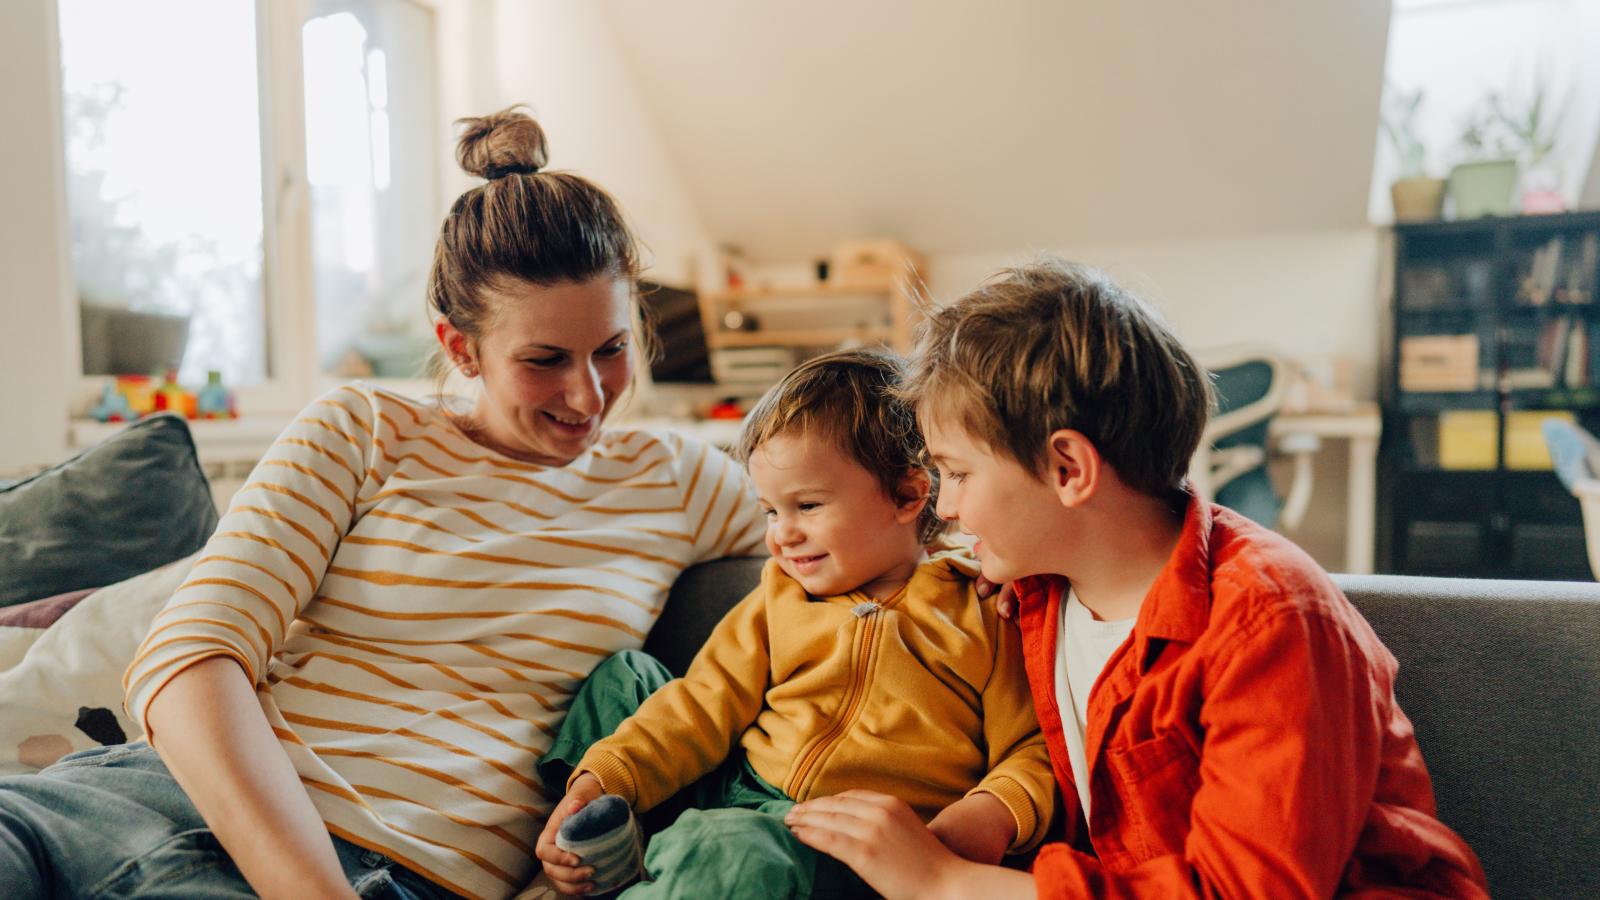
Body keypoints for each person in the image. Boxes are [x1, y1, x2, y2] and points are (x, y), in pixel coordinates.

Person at [0, 107, 765, 900]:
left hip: (399, 870)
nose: (588, 394)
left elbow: (859, 540)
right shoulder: (362, 428)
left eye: (611, 349)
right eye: (545, 360)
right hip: (137, 802)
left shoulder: (677, 481)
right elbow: (190, 658)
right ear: (460, 347)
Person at [784, 257, 1491, 898]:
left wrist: (945, 884)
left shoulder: (1273, 622)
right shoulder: (1039, 581)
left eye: (959, 472)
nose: (947, 505)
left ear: (1069, 469)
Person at [532, 348, 1055, 898]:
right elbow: (702, 703)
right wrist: (601, 780)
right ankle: (603, 840)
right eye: (770, 511)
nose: (782, 534)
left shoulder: (981, 609)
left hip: (842, 845)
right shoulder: (779, 596)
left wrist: (990, 812)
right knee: (626, 676)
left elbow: (1032, 748)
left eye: (807, 506)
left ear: (906, 495)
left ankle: (664, 871)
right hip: (739, 789)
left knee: (725, 853)